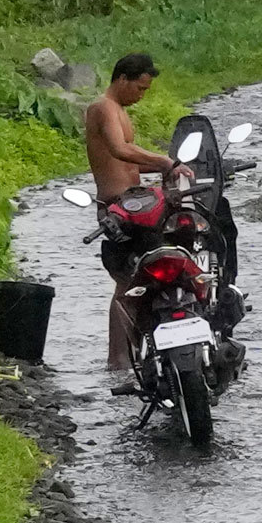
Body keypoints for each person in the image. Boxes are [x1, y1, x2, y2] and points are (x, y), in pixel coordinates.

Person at [82, 53, 175, 385]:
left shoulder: (119, 111)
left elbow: (131, 164)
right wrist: (163, 161)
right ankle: (117, 361)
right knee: (127, 282)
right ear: (122, 79)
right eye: (140, 87)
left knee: (151, 274)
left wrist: (173, 166)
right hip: (118, 208)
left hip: (137, 204)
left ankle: (146, 350)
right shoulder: (102, 108)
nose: (141, 95)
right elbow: (120, 150)